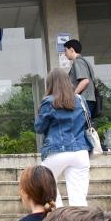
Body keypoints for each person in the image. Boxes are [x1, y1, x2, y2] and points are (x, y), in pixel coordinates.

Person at [33, 68, 93, 208]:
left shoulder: (49, 101)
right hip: (80, 152)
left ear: (51, 84)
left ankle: (58, 217)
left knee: (47, 187)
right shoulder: (80, 100)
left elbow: (39, 127)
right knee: (79, 199)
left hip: (56, 151)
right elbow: (87, 120)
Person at [63, 39, 98, 117]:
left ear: (71, 50)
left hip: (84, 101)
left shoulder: (78, 61)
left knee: (81, 127)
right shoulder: (85, 61)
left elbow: (85, 81)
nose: (65, 54)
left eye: (65, 50)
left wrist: (73, 95)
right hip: (88, 100)